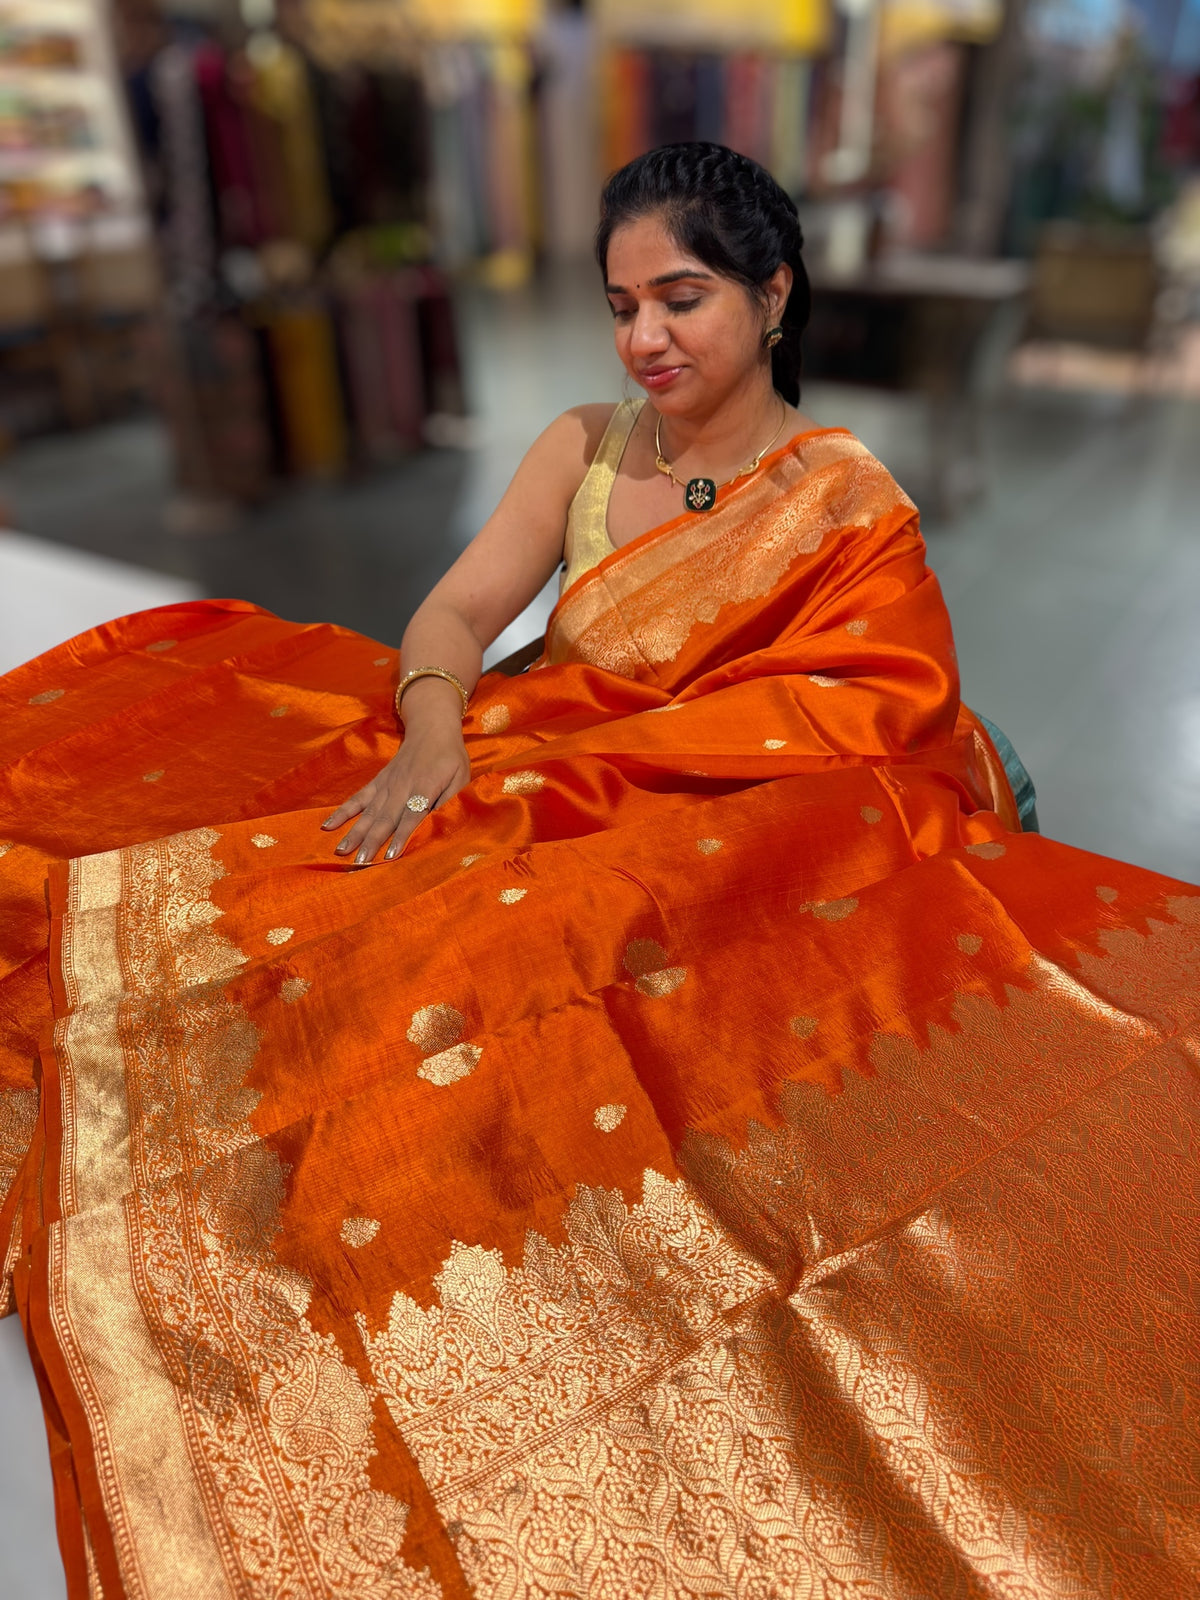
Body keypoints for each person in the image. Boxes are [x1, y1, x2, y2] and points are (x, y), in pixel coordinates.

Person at [0, 144, 1195, 1599]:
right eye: (621, 305)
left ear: (772, 291)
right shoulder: (584, 443)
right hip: (521, 750)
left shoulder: (839, 499)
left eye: (680, 298)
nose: (645, 340)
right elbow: (453, 610)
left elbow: (873, 715)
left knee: (511, 969)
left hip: (700, 804)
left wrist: (617, 773)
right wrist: (437, 729)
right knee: (227, 847)